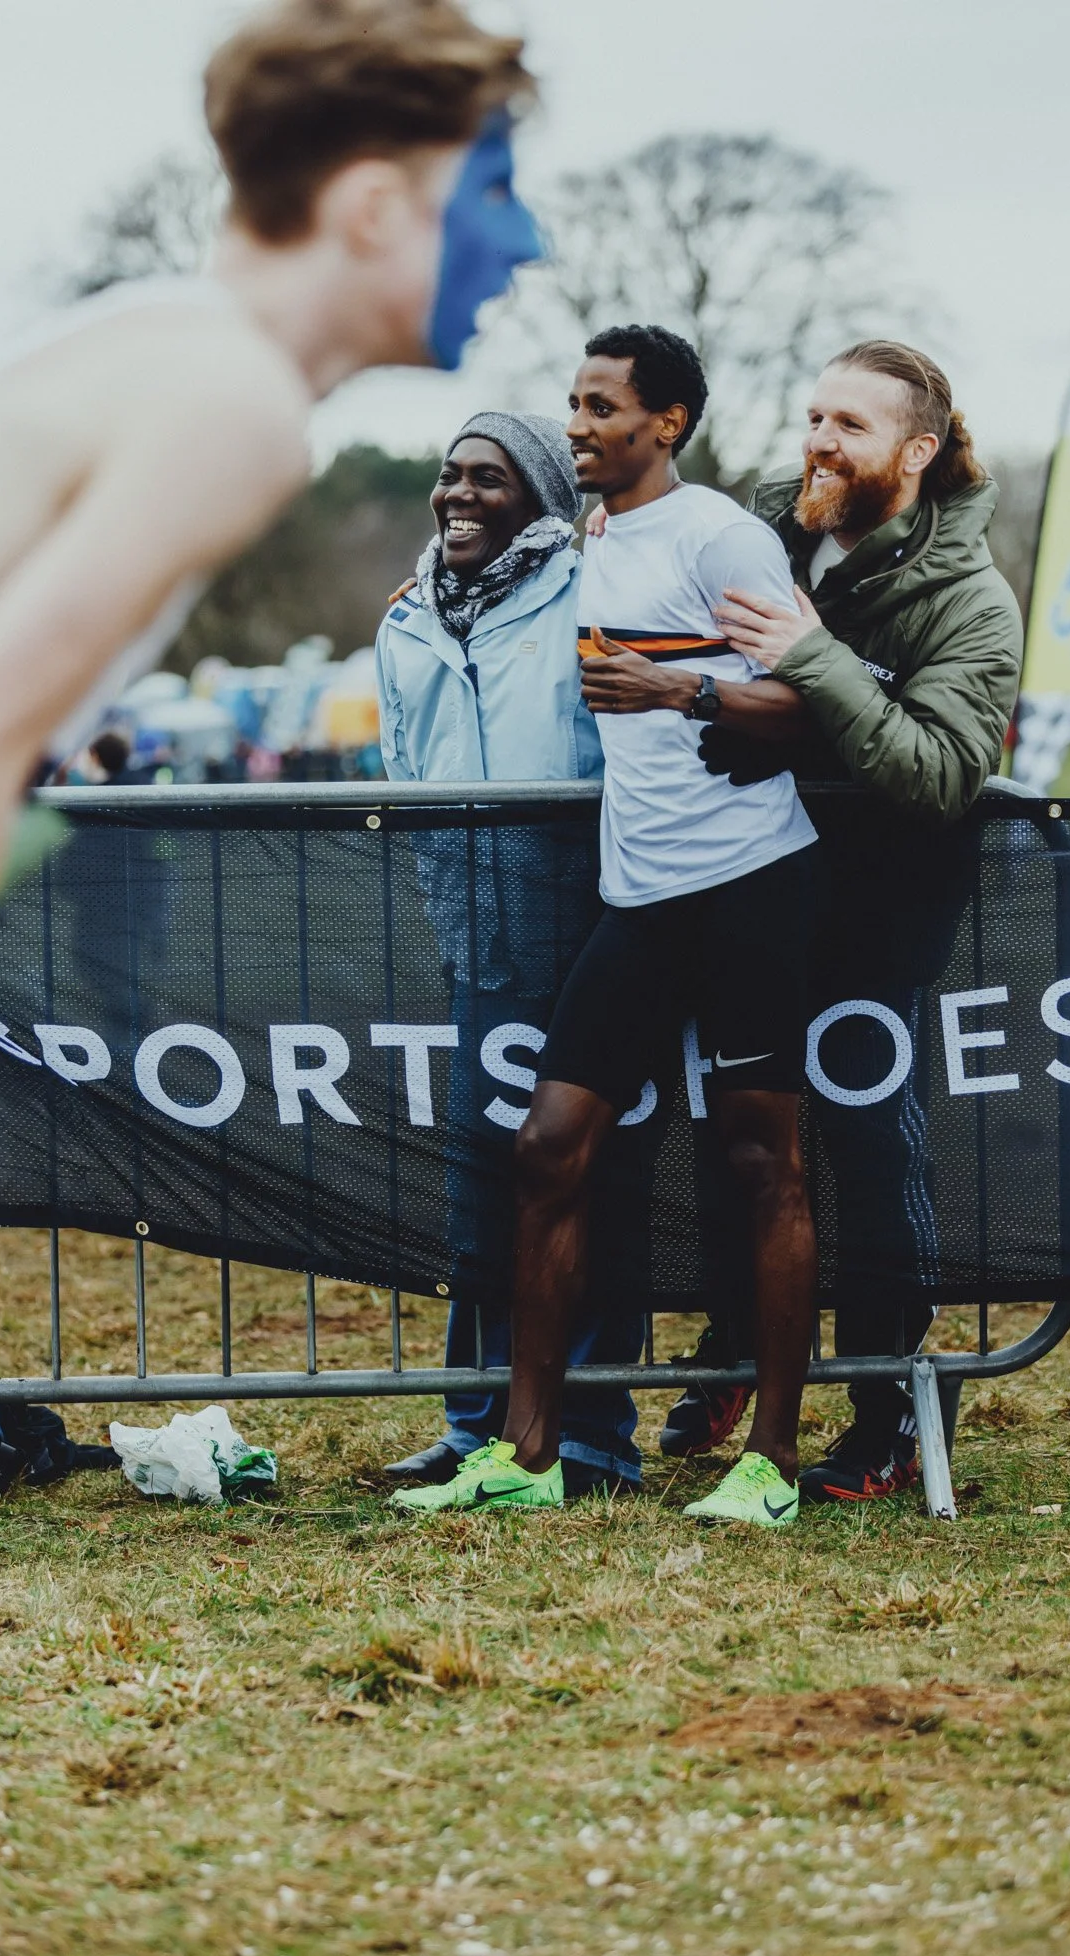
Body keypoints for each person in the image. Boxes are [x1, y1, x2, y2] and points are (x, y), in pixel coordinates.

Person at [0, 2, 539, 1956]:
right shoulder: (233, 399)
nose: (524, 252)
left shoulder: (173, 355)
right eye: (491, 194)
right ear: (363, 203)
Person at [579, 339, 1023, 1503]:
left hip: (880, 910)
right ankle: (735, 1358)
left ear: (917, 452)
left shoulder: (966, 598)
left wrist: (815, 663)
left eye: (851, 427)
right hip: (749, 888)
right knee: (735, 1143)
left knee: (872, 1148)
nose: (818, 441)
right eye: (813, 414)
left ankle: (888, 1413)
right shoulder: (761, 536)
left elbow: (938, 772)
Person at [394, 323, 821, 1526]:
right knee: (547, 1149)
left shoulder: (720, 535)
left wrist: (676, 686)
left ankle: (772, 1464)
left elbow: (814, 700)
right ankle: (525, 1453)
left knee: (759, 1164)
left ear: (666, 424)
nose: (575, 425)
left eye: (599, 407)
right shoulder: (591, 538)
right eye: (572, 405)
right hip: (638, 898)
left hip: (747, 882)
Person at [375, 412, 643, 1497]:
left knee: (587, 1177)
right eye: (448, 476)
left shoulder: (590, 592)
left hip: (590, 929)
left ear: (536, 495)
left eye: (488, 478)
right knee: (478, 1186)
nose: (458, 495)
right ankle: (473, 1414)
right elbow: (400, 765)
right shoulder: (404, 619)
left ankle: (589, 1426)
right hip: (474, 942)